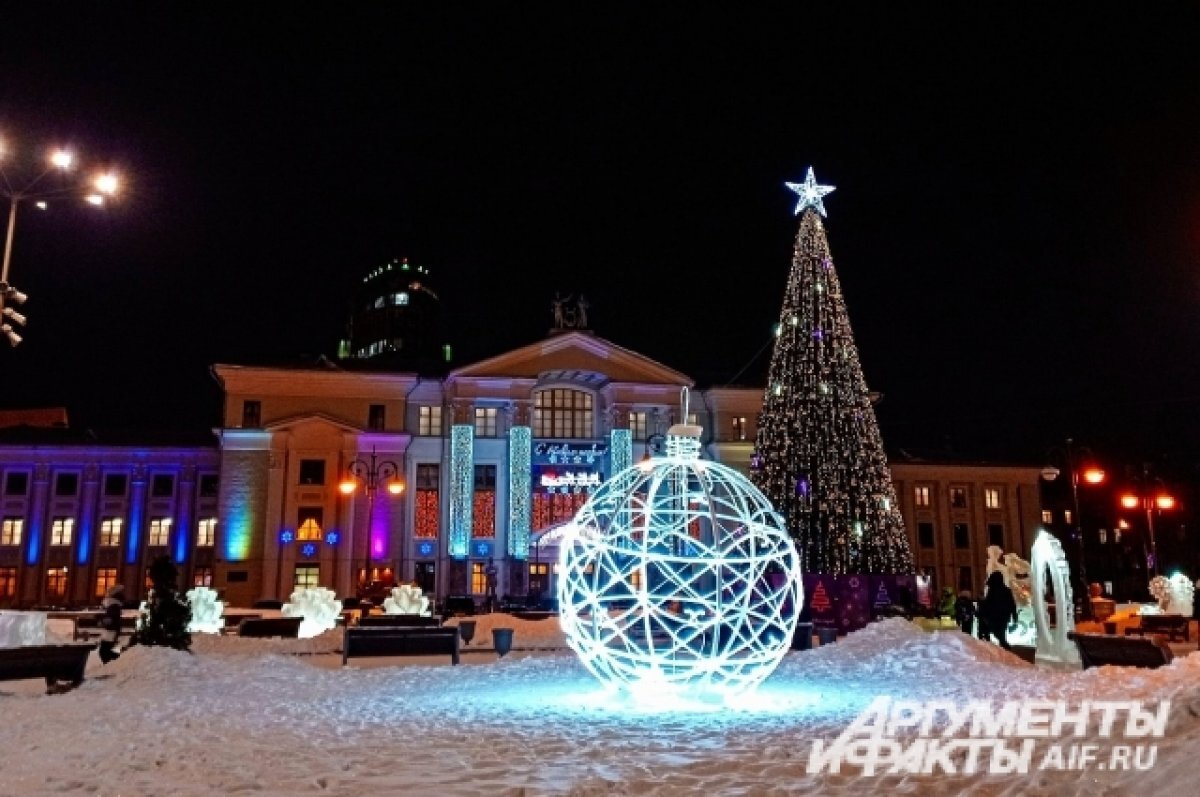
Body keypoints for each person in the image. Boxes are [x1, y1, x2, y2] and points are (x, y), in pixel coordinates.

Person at [977, 570, 1018, 650]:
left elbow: (989, 603)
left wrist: (982, 605)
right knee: (1000, 636)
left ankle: (1002, 651)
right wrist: (1014, 617)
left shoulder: (993, 591)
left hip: (994, 618)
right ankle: (1004, 651)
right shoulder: (1006, 591)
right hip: (1002, 618)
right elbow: (1012, 605)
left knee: (995, 635)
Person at [99, 584, 126, 663]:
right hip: (113, 630)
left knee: (105, 651)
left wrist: (102, 621)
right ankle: (114, 663)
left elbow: (110, 618)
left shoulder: (113, 606)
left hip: (110, 630)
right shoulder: (115, 605)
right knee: (111, 649)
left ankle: (111, 664)